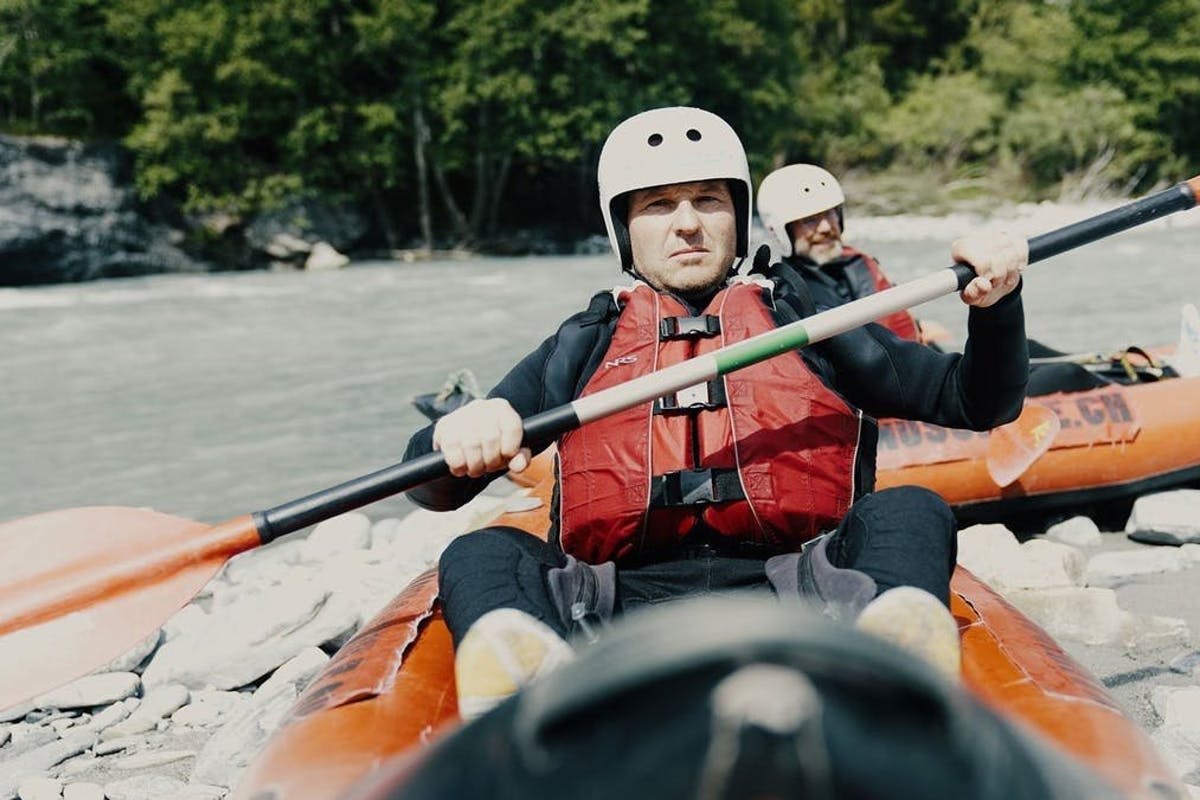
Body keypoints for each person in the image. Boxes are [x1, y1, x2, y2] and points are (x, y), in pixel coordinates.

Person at [404, 106, 1028, 719]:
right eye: (658, 205)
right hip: (609, 609)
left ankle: (882, 678)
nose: (687, 225)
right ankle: (541, 702)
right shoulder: (583, 342)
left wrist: (997, 306)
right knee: (483, 551)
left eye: (708, 200)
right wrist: (458, 434)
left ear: (737, 216)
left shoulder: (805, 322)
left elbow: (977, 400)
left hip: (802, 590)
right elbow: (432, 489)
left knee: (910, 509)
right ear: (624, 229)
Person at [757, 163, 927, 343]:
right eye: (809, 220)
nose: (826, 227)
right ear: (781, 232)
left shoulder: (855, 263)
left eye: (830, 214)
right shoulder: (786, 297)